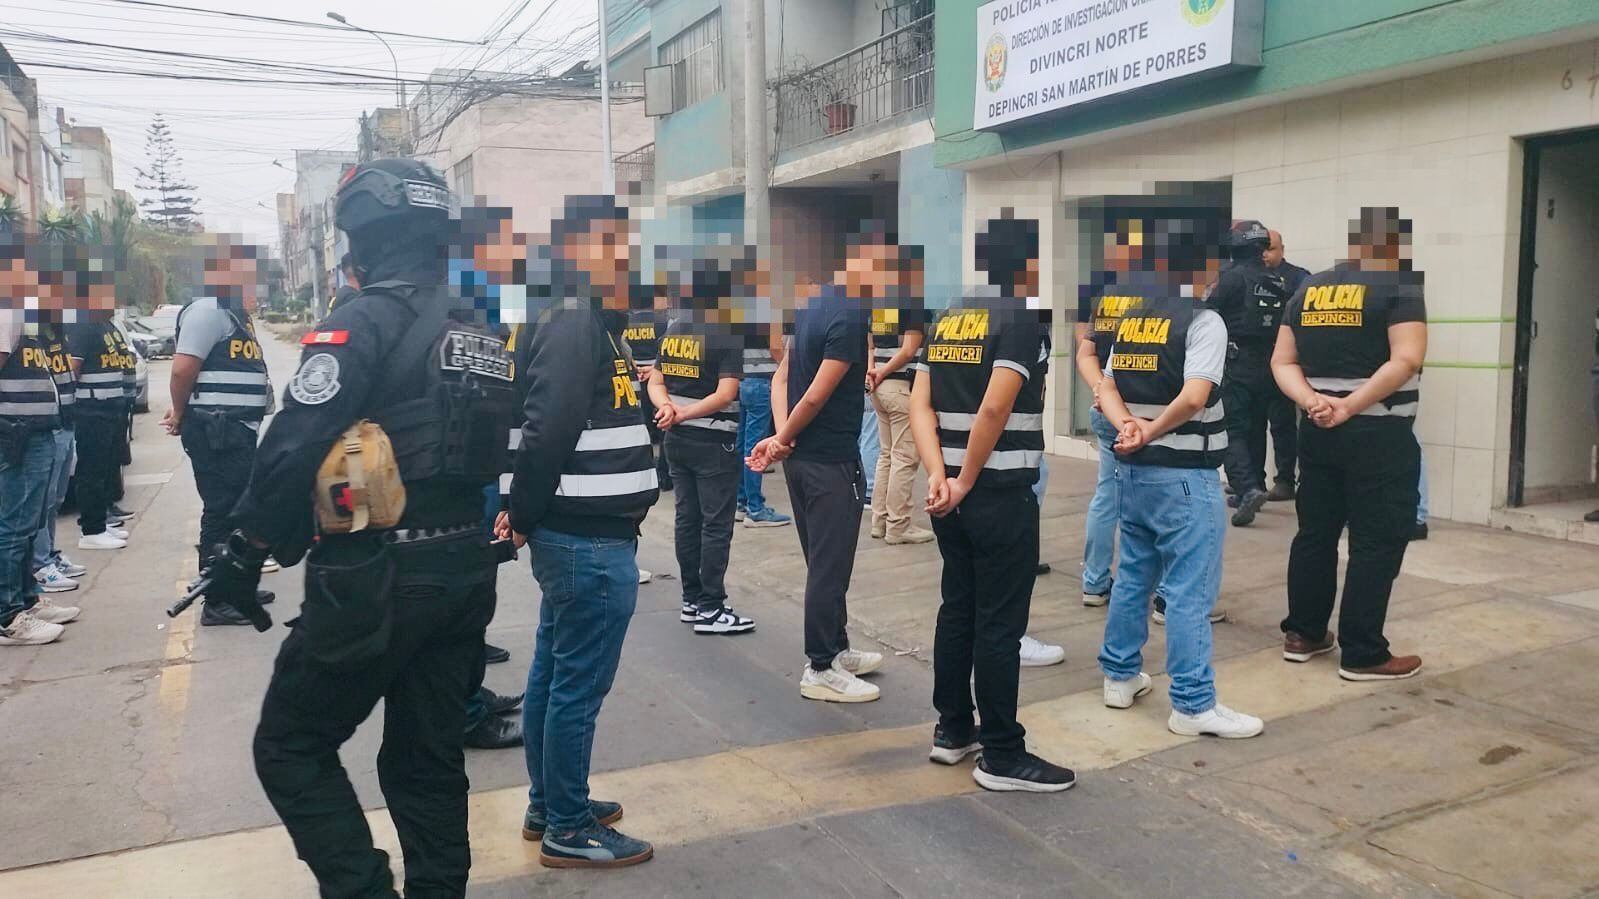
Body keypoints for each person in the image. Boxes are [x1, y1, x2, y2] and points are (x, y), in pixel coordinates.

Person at [211, 159, 515, 896]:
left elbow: (292, 446)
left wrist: (245, 548)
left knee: (289, 744)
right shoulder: (480, 327)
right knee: (426, 758)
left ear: (360, 243)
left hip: (375, 577)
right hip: (464, 569)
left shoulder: (359, 319)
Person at [502, 195, 658, 869]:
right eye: (616, 246)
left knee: (556, 671)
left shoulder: (591, 318)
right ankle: (567, 822)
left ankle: (552, 800)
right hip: (584, 538)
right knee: (576, 686)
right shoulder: (571, 319)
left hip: (585, 535)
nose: (628, 258)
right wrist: (526, 511)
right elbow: (547, 428)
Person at [911, 215, 1076, 791]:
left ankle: (953, 730)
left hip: (950, 499)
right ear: (1029, 263)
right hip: (997, 495)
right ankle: (1004, 754)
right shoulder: (1020, 319)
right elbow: (994, 410)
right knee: (999, 624)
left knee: (957, 610)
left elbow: (920, 407)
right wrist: (964, 479)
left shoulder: (951, 316)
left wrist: (940, 475)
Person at [1095, 219, 1263, 739]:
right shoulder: (1205, 321)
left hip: (1134, 474)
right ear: (1202, 268)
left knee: (1135, 577)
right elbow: (1194, 397)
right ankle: (1192, 705)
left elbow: (1105, 386)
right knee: (1190, 591)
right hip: (1185, 478)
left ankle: (1119, 677)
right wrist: (1148, 430)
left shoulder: (1133, 319)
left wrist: (1129, 426)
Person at [1272, 207, 1426, 682]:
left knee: (1315, 533)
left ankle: (1304, 633)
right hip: (1379, 435)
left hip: (1317, 432)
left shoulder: (1308, 287)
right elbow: (1408, 358)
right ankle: (1363, 652)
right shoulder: (1400, 286)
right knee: (1376, 541)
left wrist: (1314, 401)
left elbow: (1281, 361)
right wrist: (1351, 404)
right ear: (1395, 247)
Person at [749, 227, 888, 704]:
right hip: (829, 462)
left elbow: (782, 376)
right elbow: (815, 392)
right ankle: (821, 666)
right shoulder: (849, 317)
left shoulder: (812, 306)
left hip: (802, 460)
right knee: (829, 567)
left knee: (822, 560)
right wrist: (782, 437)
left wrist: (782, 437)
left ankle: (837, 646)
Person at [162, 240, 276, 625]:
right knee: (222, 511)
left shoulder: (233, 315)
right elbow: (182, 370)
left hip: (235, 428)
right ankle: (217, 600)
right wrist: (179, 412)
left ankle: (236, 586)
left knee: (238, 508)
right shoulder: (208, 312)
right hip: (216, 429)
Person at [649, 262, 755, 635]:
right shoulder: (726, 332)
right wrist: (685, 412)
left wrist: (667, 409)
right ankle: (712, 607)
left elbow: (656, 380)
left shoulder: (675, 329)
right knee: (715, 524)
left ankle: (692, 600)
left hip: (677, 441)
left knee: (687, 519)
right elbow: (727, 393)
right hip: (713, 442)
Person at [0, 236, 79, 646]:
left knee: (29, 522)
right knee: (13, 525)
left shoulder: (27, 318)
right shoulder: (7, 309)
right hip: (17, 434)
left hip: (36, 430)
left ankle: (27, 600)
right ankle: (8, 615)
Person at [1207, 219, 1291, 527]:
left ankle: (1247, 487)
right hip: (1270, 364)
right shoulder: (1277, 279)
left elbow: (1207, 311)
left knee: (1232, 428)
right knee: (1256, 426)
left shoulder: (1230, 278)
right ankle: (1253, 483)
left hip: (1237, 362)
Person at [65, 256, 137, 576]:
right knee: (91, 470)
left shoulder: (104, 324)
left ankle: (102, 522)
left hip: (111, 408)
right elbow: (72, 369)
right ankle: (91, 530)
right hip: (91, 409)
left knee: (106, 467)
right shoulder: (82, 322)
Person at [867, 246, 932, 544]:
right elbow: (909, 350)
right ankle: (898, 526)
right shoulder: (913, 303)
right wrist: (883, 373)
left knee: (886, 455)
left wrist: (873, 373)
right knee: (905, 456)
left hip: (879, 387)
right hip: (901, 386)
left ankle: (879, 521)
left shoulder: (881, 303)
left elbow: (870, 345)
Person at [734, 250, 790, 527]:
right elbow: (775, 345)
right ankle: (756, 508)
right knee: (756, 448)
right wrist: (788, 368)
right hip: (762, 383)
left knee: (743, 444)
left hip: (744, 381)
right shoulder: (769, 305)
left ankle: (742, 502)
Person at [1263, 229, 1313, 502]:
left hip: (1286, 362)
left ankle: (1285, 480)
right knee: (1249, 425)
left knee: (1282, 423)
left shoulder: (1298, 277)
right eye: (1262, 248)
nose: (1265, 254)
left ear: (1282, 249)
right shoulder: (1247, 277)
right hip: (1254, 361)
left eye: (1271, 248)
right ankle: (1250, 482)